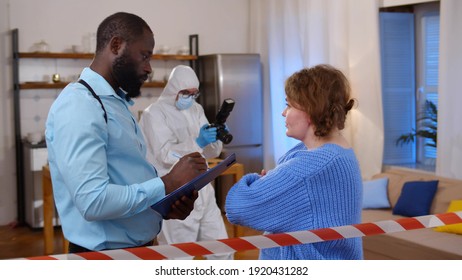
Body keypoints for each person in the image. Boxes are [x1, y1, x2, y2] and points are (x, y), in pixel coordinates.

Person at [45, 12, 206, 253]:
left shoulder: (115, 102)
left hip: (139, 249)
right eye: (144, 56)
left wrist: (163, 204)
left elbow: (126, 180)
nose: (149, 68)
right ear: (116, 45)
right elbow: (94, 202)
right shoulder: (80, 105)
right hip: (103, 258)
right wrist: (166, 183)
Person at [225, 64, 363, 260]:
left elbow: (238, 207)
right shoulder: (338, 152)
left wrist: (256, 180)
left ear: (310, 109)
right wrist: (269, 184)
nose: (283, 112)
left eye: (289, 105)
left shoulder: (312, 167)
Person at [139, 65, 233, 260]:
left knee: (222, 251)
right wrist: (197, 142)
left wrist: (213, 138)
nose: (190, 97)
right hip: (175, 193)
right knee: (180, 257)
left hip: (203, 190)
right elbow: (165, 154)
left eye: (194, 93)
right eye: (185, 93)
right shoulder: (153, 114)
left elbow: (210, 152)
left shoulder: (195, 109)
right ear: (173, 89)